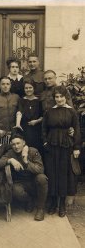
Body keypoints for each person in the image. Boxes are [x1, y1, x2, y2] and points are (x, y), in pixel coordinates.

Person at [42, 85, 81, 217]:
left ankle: (62, 204)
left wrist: (76, 147)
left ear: (66, 97)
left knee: (63, 174)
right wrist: (45, 142)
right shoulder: (49, 111)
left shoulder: (71, 112)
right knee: (52, 173)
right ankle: (53, 202)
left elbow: (77, 130)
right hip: (52, 145)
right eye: (56, 97)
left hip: (66, 145)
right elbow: (44, 129)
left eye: (61, 96)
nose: (59, 99)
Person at [0, 128, 48, 221]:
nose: (16, 146)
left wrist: (26, 162)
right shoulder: (11, 153)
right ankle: (29, 201)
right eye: (13, 144)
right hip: (20, 182)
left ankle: (40, 208)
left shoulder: (32, 151)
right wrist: (10, 160)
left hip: (34, 180)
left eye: (18, 143)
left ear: (24, 142)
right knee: (15, 190)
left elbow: (40, 169)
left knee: (42, 178)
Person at [16, 80, 43, 154]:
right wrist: (18, 124)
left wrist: (36, 121)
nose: (28, 90)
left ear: (34, 88)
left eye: (30, 87)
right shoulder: (21, 100)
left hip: (37, 130)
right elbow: (19, 112)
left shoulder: (39, 101)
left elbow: (42, 116)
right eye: (26, 88)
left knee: (36, 151)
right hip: (24, 130)